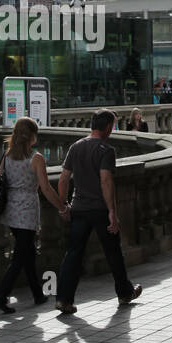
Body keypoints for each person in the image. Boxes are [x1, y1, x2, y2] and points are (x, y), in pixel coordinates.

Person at [55, 110, 142, 316]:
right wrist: (112, 211)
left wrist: (64, 204)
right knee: (113, 252)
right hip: (99, 209)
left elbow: (64, 178)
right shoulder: (106, 150)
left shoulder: (75, 147)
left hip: (78, 208)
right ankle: (124, 293)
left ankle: (63, 299)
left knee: (73, 253)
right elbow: (106, 181)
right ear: (108, 127)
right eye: (113, 126)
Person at [0, 117, 67, 313]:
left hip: (10, 211)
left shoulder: (6, 156)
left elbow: (0, 181)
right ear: (32, 136)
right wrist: (61, 207)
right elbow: (46, 188)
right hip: (26, 212)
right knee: (20, 257)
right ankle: (1, 297)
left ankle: (37, 293)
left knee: (28, 253)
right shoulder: (36, 159)